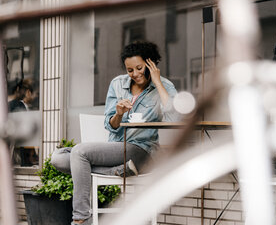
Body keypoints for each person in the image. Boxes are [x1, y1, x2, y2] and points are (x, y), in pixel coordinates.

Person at [50, 41, 179, 225]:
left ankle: (80, 219)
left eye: (139, 68)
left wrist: (158, 83)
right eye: (130, 70)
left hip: (141, 150)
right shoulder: (117, 84)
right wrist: (118, 114)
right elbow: (110, 125)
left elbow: (175, 118)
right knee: (58, 158)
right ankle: (119, 171)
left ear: (150, 63)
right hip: (116, 149)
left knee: (79, 152)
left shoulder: (164, 86)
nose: (135, 74)